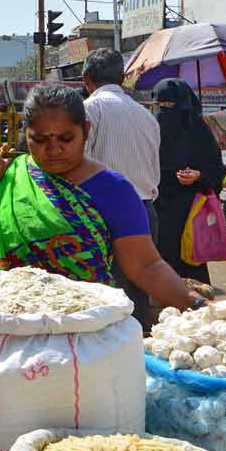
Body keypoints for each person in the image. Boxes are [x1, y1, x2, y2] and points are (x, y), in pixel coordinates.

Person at [0, 84, 203, 315]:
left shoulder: (113, 189)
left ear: (86, 130)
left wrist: (197, 305)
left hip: (81, 325)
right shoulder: (8, 176)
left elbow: (146, 267)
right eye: (40, 139)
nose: (54, 149)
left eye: (65, 138)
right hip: (5, 321)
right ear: (25, 134)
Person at [80, 48, 162, 324]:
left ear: (86, 79)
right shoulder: (146, 115)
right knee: (137, 292)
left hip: (102, 212)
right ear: (122, 78)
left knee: (104, 295)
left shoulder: (90, 109)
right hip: (145, 210)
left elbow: (81, 164)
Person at [153, 79, 226, 285]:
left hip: (189, 207)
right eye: (161, 106)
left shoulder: (198, 130)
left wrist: (199, 176)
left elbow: (216, 169)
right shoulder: (150, 126)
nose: (165, 111)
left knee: (190, 264)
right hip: (158, 203)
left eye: (171, 106)